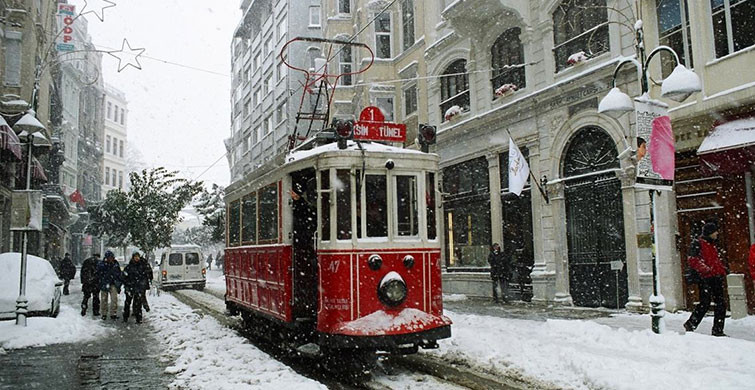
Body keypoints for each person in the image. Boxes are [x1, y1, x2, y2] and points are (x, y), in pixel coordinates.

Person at [684, 222, 728, 336]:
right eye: (715, 231)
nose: (717, 233)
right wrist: (706, 269)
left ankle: (717, 329)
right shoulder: (699, 243)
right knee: (706, 303)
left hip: (715, 277)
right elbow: (693, 260)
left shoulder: (712, 244)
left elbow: (714, 261)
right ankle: (692, 324)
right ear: (710, 233)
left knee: (719, 304)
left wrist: (722, 270)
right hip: (705, 278)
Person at [123, 252, 151, 324]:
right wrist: (127, 284)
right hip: (130, 287)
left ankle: (139, 319)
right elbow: (124, 276)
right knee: (127, 303)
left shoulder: (142, 266)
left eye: (137, 256)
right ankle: (125, 317)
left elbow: (148, 273)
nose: (136, 258)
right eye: (135, 257)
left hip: (138, 287)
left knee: (138, 304)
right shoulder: (130, 266)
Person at [98, 250, 123, 320]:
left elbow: (119, 274)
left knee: (114, 299)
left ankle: (113, 313)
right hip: (104, 283)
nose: (110, 259)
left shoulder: (115, 264)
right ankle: (104, 313)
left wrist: (118, 283)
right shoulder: (102, 265)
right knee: (104, 300)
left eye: (111, 257)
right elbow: (99, 274)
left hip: (113, 283)